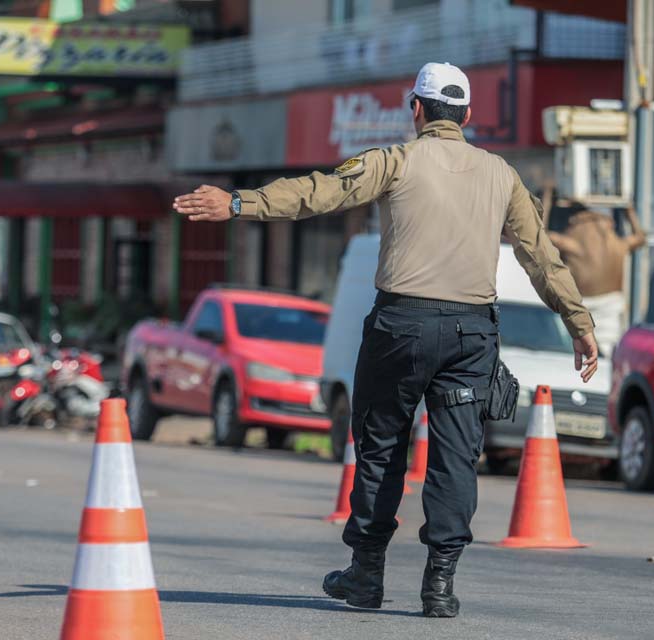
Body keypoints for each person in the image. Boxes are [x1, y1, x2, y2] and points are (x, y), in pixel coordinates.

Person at [174, 62, 599, 618]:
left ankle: (367, 575)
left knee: (379, 449)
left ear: (415, 109)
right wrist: (580, 325)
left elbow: (318, 193)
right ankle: (440, 585)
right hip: (472, 336)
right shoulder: (502, 175)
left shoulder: (394, 161)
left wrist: (236, 203)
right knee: (454, 459)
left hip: (401, 327)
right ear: (468, 116)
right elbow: (540, 255)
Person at [543, 183, 646, 356]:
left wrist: (547, 196)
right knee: (602, 356)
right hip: (590, 308)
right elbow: (641, 238)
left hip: (591, 308)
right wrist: (628, 208)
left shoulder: (574, 242)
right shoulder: (617, 244)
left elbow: (540, 234)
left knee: (580, 357)